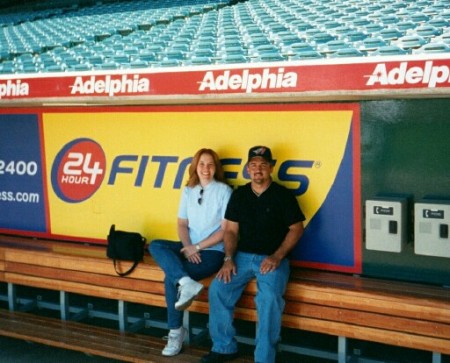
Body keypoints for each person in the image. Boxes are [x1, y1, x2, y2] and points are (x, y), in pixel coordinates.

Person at [201, 146, 305, 363]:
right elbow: (230, 230)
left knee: (268, 300)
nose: (258, 169)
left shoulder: (283, 195)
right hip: (242, 257)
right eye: (254, 165)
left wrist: (277, 256)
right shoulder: (240, 195)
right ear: (247, 169)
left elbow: (297, 228)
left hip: (273, 259)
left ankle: (264, 358)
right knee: (218, 289)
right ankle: (224, 347)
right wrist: (228, 258)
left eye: (263, 165)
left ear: (271, 168)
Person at [149, 148, 232, 357]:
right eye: (202, 164)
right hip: (189, 246)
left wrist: (198, 247)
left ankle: (175, 332)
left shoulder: (224, 191)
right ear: (195, 166)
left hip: (212, 252)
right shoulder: (188, 190)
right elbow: (182, 223)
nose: (206, 168)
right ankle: (186, 282)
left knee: (170, 278)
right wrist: (188, 247)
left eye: (210, 164)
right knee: (156, 245)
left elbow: (225, 230)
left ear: (216, 168)